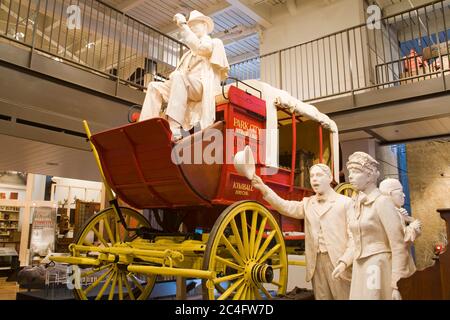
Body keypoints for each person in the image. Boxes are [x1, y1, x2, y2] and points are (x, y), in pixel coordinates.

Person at [252, 164, 354, 300]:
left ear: (330, 177)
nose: (314, 180)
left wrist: (345, 261)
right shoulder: (308, 203)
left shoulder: (345, 203)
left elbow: (355, 238)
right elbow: (285, 206)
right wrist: (264, 189)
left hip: (338, 261)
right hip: (316, 263)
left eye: (319, 175)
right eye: (312, 176)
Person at [139, 10, 229, 140]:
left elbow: (199, 48)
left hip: (201, 87)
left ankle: (173, 127)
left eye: (194, 25)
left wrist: (183, 24)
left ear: (204, 25)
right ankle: (145, 128)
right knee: (154, 86)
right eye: (190, 26)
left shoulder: (213, 43)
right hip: (185, 85)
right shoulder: (187, 54)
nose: (191, 29)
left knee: (178, 77)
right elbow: (179, 73)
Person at [346, 152, 415, 300]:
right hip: (360, 267)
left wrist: (397, 282)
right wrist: (344, 262)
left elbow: (398, 245)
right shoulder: (355, 204)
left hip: (377, 266)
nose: (350, 176)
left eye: (356, 172)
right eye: (349, 172)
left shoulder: (382, 202)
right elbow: (355, 240)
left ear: (370, 176)